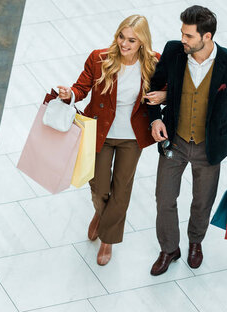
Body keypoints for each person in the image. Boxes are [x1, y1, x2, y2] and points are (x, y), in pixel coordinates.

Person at [147, 5, 227, 275]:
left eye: (189, 36)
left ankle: (195, 242)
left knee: (202, 200)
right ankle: (169, 248)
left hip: (210, 146)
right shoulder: (174, 52)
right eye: (182, 33)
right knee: (164, 198)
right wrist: (155, 118)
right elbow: (154, 87)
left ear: (207, 37)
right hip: (176, 141)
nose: (183, 39)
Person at [58, 15, 165, 266]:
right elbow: (81, 88)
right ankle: (101, 213)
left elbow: (167, 90)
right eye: (121, 37)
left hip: (132, 136)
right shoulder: (99, 58)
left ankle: (107, 238)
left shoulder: (154, 61)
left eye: (131, 40)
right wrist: (69, 94)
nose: (124, 44)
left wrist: (164, 94)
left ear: (142, 42)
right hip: (101, 132)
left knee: (122, 188)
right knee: (99, 186)